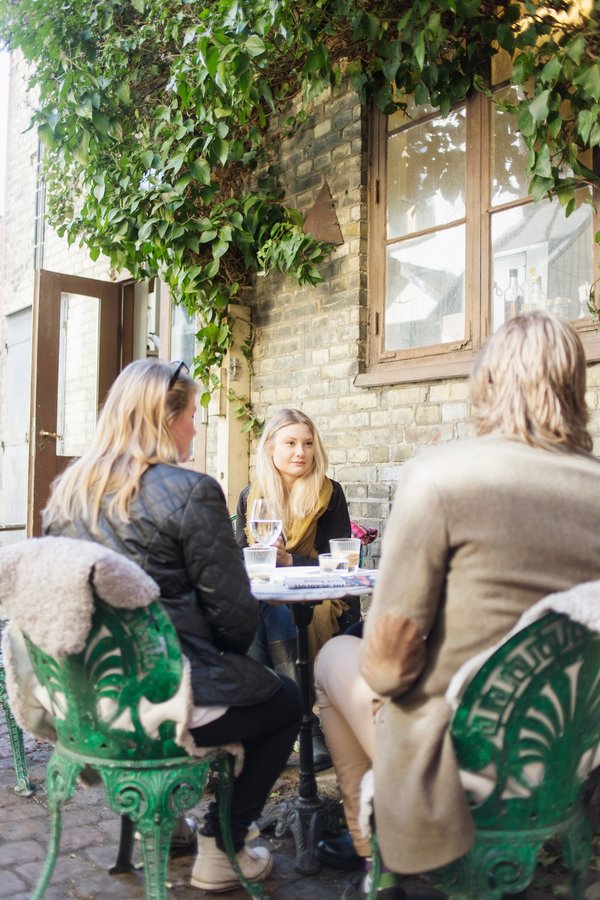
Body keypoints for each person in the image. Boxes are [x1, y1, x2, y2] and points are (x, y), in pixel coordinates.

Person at [314, 311, 600, 899]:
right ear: (576, 387)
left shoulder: (442, 477)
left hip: (458, 758)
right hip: (569, 757)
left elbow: (388, 670)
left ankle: (378, 852)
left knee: (332, 659)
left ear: (486, 384)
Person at [42, 358, 302, 895]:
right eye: (192, 417)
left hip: (88, 702)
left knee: (244, 689)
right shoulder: (189, 491)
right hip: (163, 700)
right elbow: (234, 620)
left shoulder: (69, 492)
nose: (196, 429)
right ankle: (222, 846)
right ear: (164, 419)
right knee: (282, 702)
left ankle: (166, 822)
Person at [236, 408, 352, 769]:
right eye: (290, 443)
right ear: (270, 448)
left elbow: (341, 566)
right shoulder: (250, 496)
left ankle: (284, 725)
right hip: (268, 596)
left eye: (307, 443)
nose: (301, 452)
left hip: (319, 594)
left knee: (268, 608)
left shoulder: (329, 495)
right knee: (259, 607)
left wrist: (290, 562)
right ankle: (302, 724)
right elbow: (239, 558)